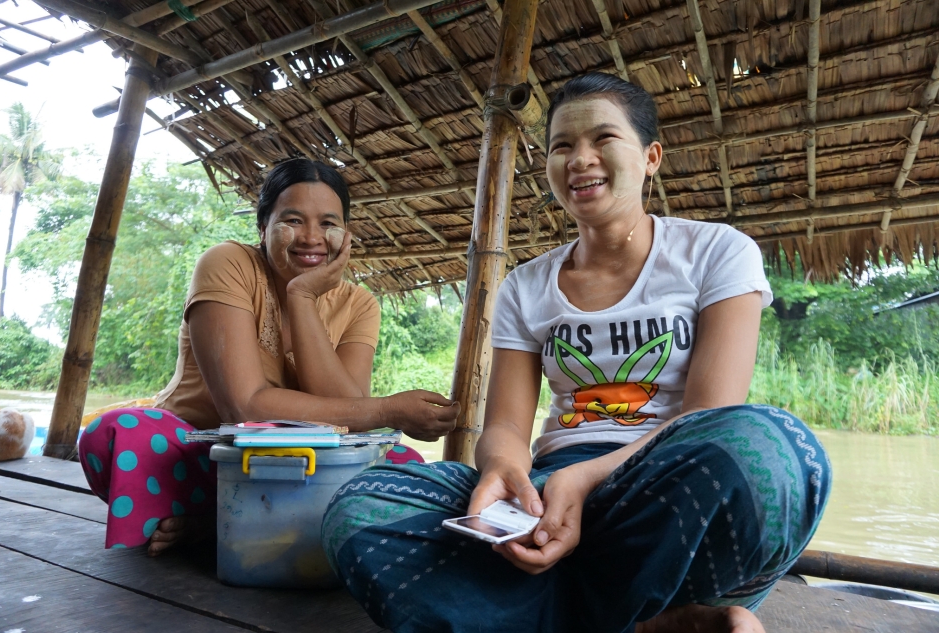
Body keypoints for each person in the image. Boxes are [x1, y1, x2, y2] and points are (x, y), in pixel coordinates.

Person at [321, 73, 830, 633]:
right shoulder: (526, 286)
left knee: (776, 451)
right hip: (547, 494)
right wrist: (503, 472)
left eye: (602, 140)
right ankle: (646, 621)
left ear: (651, 156)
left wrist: (588, 480)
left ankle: (547, 612)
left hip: (662, 490)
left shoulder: (715, 251)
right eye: (562, 146)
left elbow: (708, 416)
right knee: (364, 505)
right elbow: (507, 427)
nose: (579, 159)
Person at [79, 159, 460, 555]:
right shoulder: (228, 264)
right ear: (262, 228)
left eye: (329, 224)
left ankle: (217, 523)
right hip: (203, 458)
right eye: (293, 220)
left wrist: (303, 297)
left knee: (407, 465)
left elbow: (351, 420)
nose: (312, 237)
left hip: (308, 469)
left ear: (346, 235)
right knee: (117, 432)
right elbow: (243, 407)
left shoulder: (359, 304)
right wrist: (386, 411)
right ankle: (257, 521)